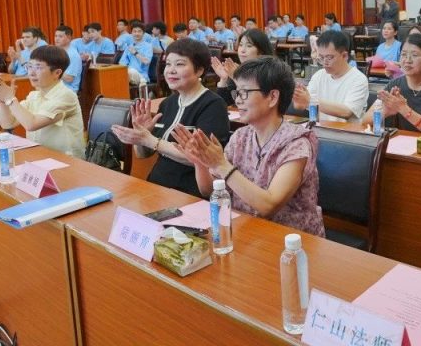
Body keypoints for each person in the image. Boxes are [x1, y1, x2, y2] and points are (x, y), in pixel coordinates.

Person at [173, 57, 324, 236]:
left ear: (272, 97)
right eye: (237, 93)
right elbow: (209, 190)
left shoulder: (297, 144)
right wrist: (200, 163)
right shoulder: (240, 137)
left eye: (245, 92)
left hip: (291, 240)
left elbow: (269, 206)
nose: (238, 100)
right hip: (246, 230)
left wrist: (221, 164)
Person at [110, 38, 230, 197]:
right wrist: (141, 136)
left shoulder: (213, 105)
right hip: (157, 186)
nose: (171, 70)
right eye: (168, 64)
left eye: (179, 64)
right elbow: (143, 154)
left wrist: (150, 140)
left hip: (189, 192)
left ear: (200, 70)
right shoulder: (168, 103)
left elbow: (205, 159)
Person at [0, 45, 85, 156]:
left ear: (57, 73)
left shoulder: (66, 96)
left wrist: (9, 99)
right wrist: (2, 101)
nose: (31, 73)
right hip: (41, 156)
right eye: (29, 66)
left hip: (68, 162)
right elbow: (8, 123)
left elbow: (32, 124)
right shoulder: (34, 96)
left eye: (38, 67)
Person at [362, 33, 421, 132]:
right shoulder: (394, 85)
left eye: (414, 55)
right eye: (404, 54)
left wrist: (404, 109)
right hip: (400, 143)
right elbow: (365, 120)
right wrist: (385, 111)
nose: (407, 60)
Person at [292, 30, 369, 122]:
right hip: (322, 131)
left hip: (348, 133)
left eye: (329, 58)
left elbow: (347, 112)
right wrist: (298, 98)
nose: (324, 62)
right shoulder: (319, 76)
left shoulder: (358, 79)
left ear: (344, 56)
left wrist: (309, 100)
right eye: (321, 57)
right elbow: (302, 105)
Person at [213, 28, 275, 106]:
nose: (242, 50)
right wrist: (223, 79)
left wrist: (236, 78)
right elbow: (223, 104)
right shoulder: (238, 69)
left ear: (261, 51)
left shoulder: (269, 70)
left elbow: (253, 103)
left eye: (249, 46)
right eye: (241, 45)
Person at [53, 25, 83, 92]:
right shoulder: (58, 52)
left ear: (69, 38)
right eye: (55, 36)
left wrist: (51, 71)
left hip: (69, 89)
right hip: (57, 86)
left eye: (60, 36)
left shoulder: (73, 55)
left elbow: (69, 78)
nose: (56, 39)